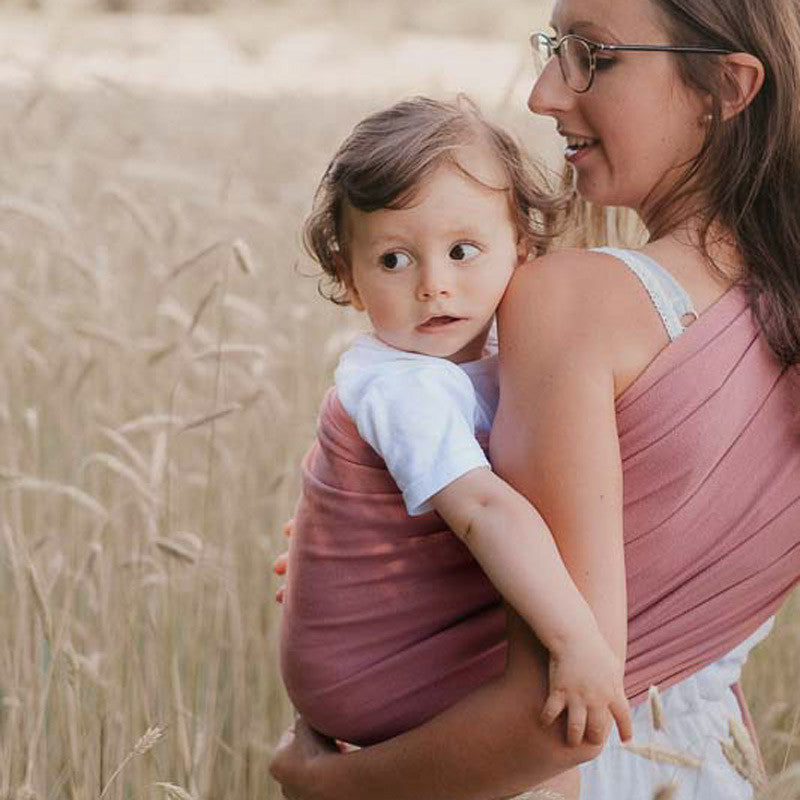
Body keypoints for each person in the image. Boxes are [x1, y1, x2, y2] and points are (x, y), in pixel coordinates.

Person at [270, 0, 800, 797]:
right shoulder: (782, 312)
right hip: (706, 769)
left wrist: (324, 786)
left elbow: (554, 725)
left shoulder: (573, 304)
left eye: (591, 53)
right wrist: (383, 558)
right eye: (555, 48)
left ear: (725, 85)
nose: (545, 92)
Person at [279, 97, 631, 786]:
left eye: (463, 251)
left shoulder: (507, 347)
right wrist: (578, 642)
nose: (434, 284)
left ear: (522, 248)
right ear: (349, 279)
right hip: (376, 671)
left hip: (392, 646)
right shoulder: (403, 384)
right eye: (393, 260)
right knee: (548, 743)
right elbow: (484, 510)